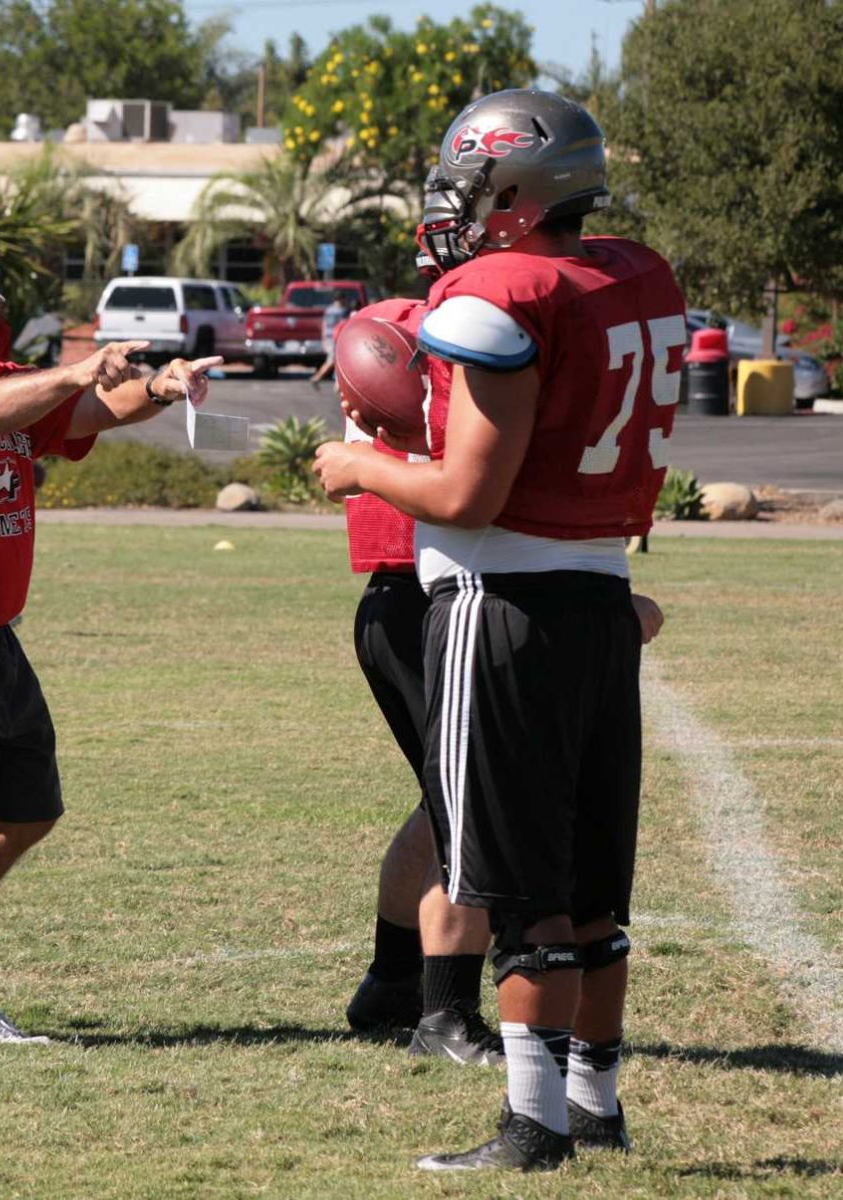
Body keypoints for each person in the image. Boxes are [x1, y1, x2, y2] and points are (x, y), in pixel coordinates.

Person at [313, 89, 685, 1171]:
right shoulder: (632, 272)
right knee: (590, 883)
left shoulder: (493, 294)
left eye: (477, 185)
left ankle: (533, 1125)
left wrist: (359, 463)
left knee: (519, 885)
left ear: (523, 192)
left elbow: (470, 495)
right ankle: (598, 1104)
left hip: (501, 605)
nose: (460, 205)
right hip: (598, 599)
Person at [0, 250, 220, 1043]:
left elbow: (92, 414)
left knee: (27, 810)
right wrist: (76, 370)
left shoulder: (8, 381)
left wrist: (160, 386)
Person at [341, 297, 502, 1066]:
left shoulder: (407, 315)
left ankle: (393, 981)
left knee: (450, 798)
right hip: (426, 591)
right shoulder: (450, 318)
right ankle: (446, 1014)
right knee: (471, 804)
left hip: (408, 594)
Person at [310, 292, 354, 388]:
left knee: (335, 360)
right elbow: (344, 324)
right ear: (341, 299)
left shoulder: (329, 310)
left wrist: (323, 337)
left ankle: (336, 383)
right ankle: (317, 378)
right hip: (336, 337)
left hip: (328, 337)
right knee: (333, 360)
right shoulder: (343, 311)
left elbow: (324, 324)